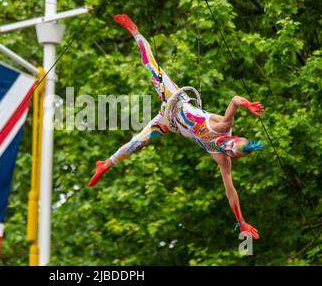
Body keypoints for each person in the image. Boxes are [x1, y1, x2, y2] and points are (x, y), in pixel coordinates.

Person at [88, 14, 265, 239]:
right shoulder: (223, 126)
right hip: (175, 99)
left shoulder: (222, 159)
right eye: (231, 145)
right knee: (150, 66)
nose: (227, 149)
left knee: (137, 142)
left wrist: (241, 222)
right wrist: (248, 104)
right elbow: (235, 100)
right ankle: (135, 31)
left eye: (231, 153)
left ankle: (105, 163)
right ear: (235, 137)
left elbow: (230, 191)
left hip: (168, 123)